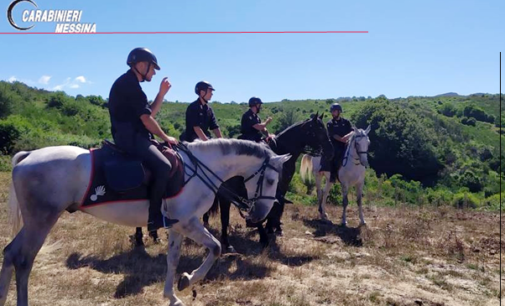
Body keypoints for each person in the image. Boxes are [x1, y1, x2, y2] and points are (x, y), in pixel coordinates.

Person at [108, 47, 179, 232]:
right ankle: (154, 218)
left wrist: (161, 94)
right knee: (164, 166)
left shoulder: (132, 84)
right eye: (152, 67)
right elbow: (147, 120)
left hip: (135, 135)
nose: (154, 72)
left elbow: (149, 114)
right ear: (140, 65)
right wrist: (165, 137)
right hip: (130, 137)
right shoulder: (129, 85)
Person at [322, 102, 354, 182]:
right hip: (335, 144)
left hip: (347, 142)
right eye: (332, 111)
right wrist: (342, 139)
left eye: (334, 111)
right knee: (334, 155)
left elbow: (352, 131)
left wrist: (346, 137)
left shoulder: (346, 122)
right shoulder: (330, 123)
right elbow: (334, 135)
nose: (333, 113)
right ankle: (333, 175)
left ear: (339, 111)